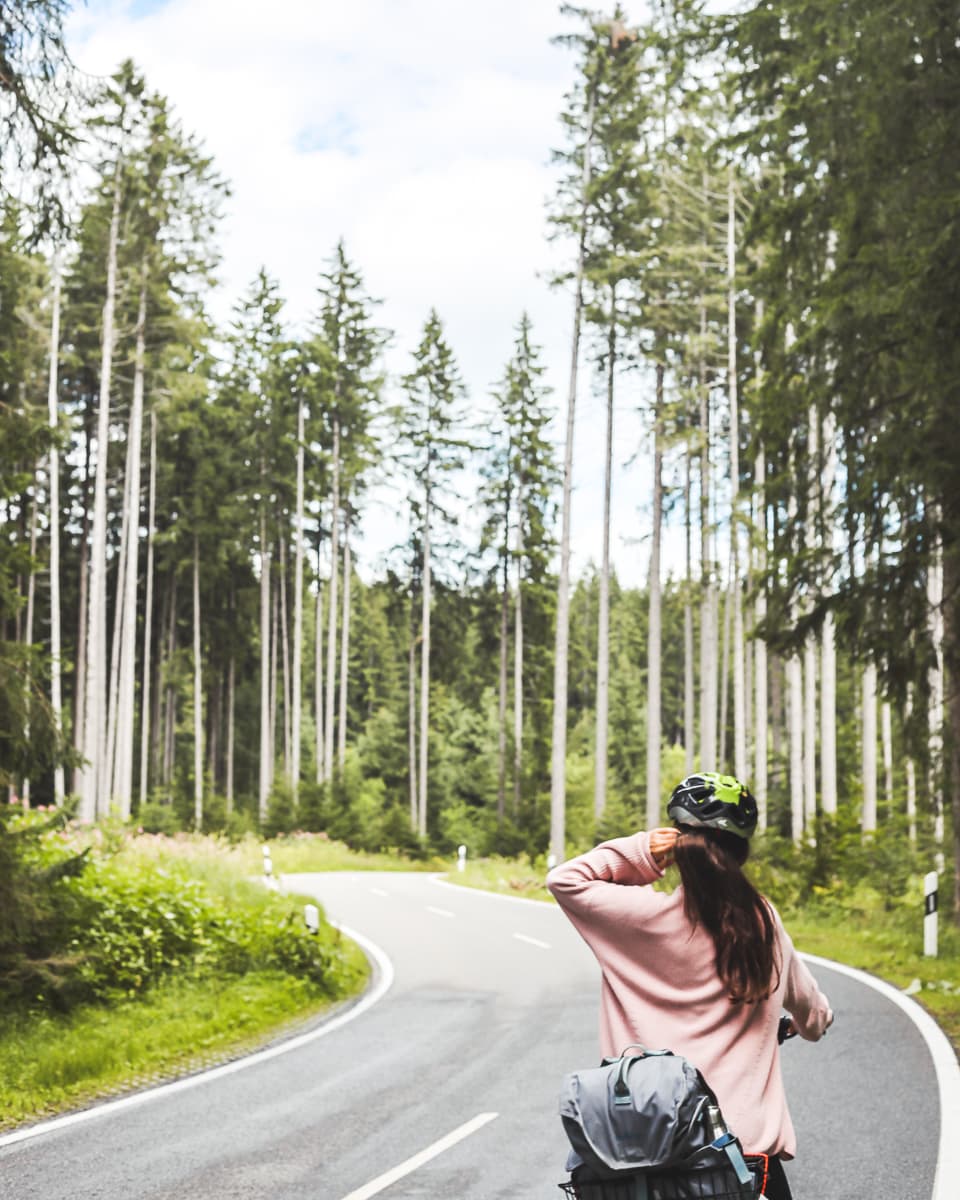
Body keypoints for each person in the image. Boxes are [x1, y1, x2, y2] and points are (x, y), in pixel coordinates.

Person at [546, 772, 833, 1200]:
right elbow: (814, 1014)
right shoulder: (763, 924)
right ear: (742, 851)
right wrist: (802, 1025)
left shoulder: (637, 920)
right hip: (741, 1158)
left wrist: (644, 851)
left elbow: (565, 879)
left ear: (677, 842)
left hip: (644, 1158)